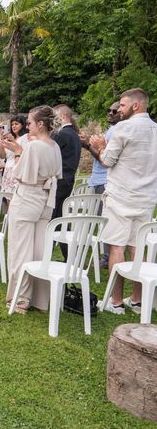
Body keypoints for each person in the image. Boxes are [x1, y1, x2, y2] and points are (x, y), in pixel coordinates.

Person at [90, 88, 157, 314]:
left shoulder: (123, 127)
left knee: (116, 247)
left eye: (122, 105)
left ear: (136, 105)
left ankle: (116, 302)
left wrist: (100, 146)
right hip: (147, 198)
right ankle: (137, 300)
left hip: (120, 196)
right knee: (138, 248)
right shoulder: (156, 130)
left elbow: (107, 161)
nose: (118, 109)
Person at [3, 105, 62, 314]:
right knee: (38, 249)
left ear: (41, 124)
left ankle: (20, 299)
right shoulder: (54, 145)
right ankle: (39, 299)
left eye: (29, 122)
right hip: (45, 200)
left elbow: (19, 174)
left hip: (27, 198)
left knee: (20, 250)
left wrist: (18, 154)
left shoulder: (35, 147)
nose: (27, 126)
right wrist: (21, 150)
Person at [79, 101, 121, 269]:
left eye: (115, 110)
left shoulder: (117, 131)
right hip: (100, 179)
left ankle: (106, 256)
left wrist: (89, 146)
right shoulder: (114, 130)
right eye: (109, 110)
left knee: (104, 219)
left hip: (103, 180)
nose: (110, 113)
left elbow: (106, 159)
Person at [51, 104, 82, 260]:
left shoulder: (62, 134)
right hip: (67, 181)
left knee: (53, 221)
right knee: (61, 221)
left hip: (59, 182)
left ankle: (49, 256)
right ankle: (69, 258)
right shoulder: (74, 134)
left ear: (62, 116)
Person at [0, 115, 29, 192]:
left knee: (13, 195)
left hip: (16, 168)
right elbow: (2, 156)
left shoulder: (25, 137)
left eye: (16, 124)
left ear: (23, 125)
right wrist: (2, 142)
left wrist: (13, 140)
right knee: (6, 196)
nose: (14, 126)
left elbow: (23, 152)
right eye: (12, 124)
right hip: (7, 169)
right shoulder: (10, 138)